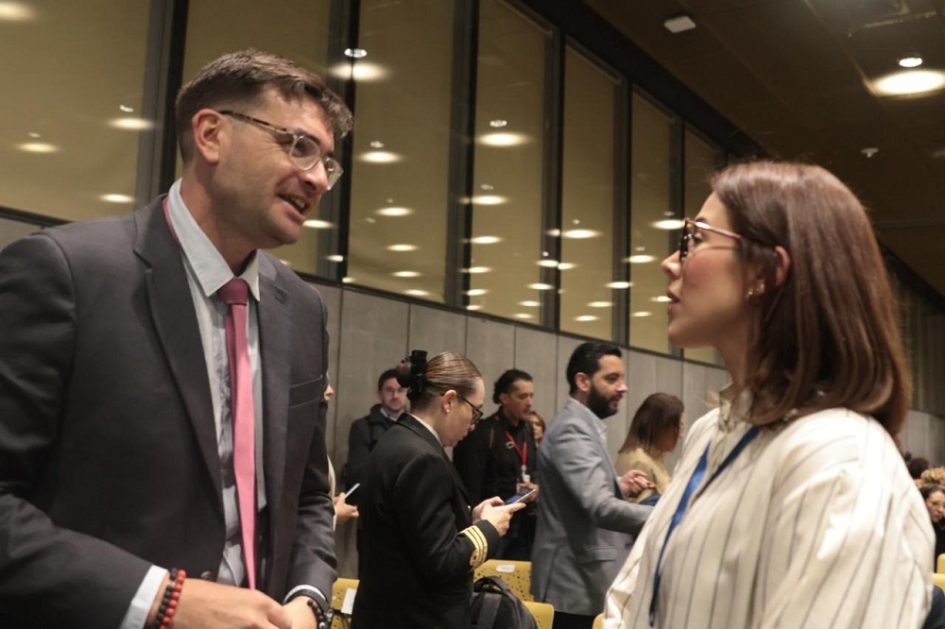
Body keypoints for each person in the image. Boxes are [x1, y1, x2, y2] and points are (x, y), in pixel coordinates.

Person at [0, 49, 353, 628]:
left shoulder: (304, 309)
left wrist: (308, 599)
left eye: (327, 162)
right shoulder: (65, 274)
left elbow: (308, 495)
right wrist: (160, 601)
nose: (317, 177)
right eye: (298, 146)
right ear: (212, 135)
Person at [605, 161, 933, 628]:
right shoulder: (709, 433)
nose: (670, 261)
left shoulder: (843, 461)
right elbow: (634, 605)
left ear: (767, 270)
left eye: (694, 239)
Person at [352, 350, 525, 628]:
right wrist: (488, 529)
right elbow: (441, 563)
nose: (473, 424)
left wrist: (468, 519)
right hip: (417, 617)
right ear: (449, 401)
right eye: (474, 411)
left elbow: (413, 533)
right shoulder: (423, 458)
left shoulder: (397, 440)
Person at [532, 342, 653, 629]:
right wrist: (669, 516)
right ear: (583, 381)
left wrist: (618, 486)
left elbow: (579, 494)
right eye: (612, 379)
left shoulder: (582, 425)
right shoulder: (573, 429)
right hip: (573, 584)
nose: (622, 388)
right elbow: (599, 507)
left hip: (579, 581)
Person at [453, 368, 539, 560]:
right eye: (522, 396)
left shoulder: (528, 432)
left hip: (522, 526)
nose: (529, 403)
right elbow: (470, 484)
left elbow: (534, 470)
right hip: (491, 526)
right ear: (504, 398)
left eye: (531, 396)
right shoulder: (484, 432)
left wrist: (535, 487)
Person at [344, 368, 407, 506]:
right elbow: (355, 474)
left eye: (401, 390)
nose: (395, 395)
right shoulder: (362, 427)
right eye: (389, 390)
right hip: (374, 503)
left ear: (408, 394)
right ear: (379, 394)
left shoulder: (415, 427)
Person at [615, 393, 684, 504]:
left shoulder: (650, 456)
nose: (680, 435)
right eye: (679, 427)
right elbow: (640, 512)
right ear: (662, 427)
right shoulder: (640, 461)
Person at [921, 484, 945, 568]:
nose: (941, 510)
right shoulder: (909, 528)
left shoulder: (942, 529)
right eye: (935, 504)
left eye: (944, 506)